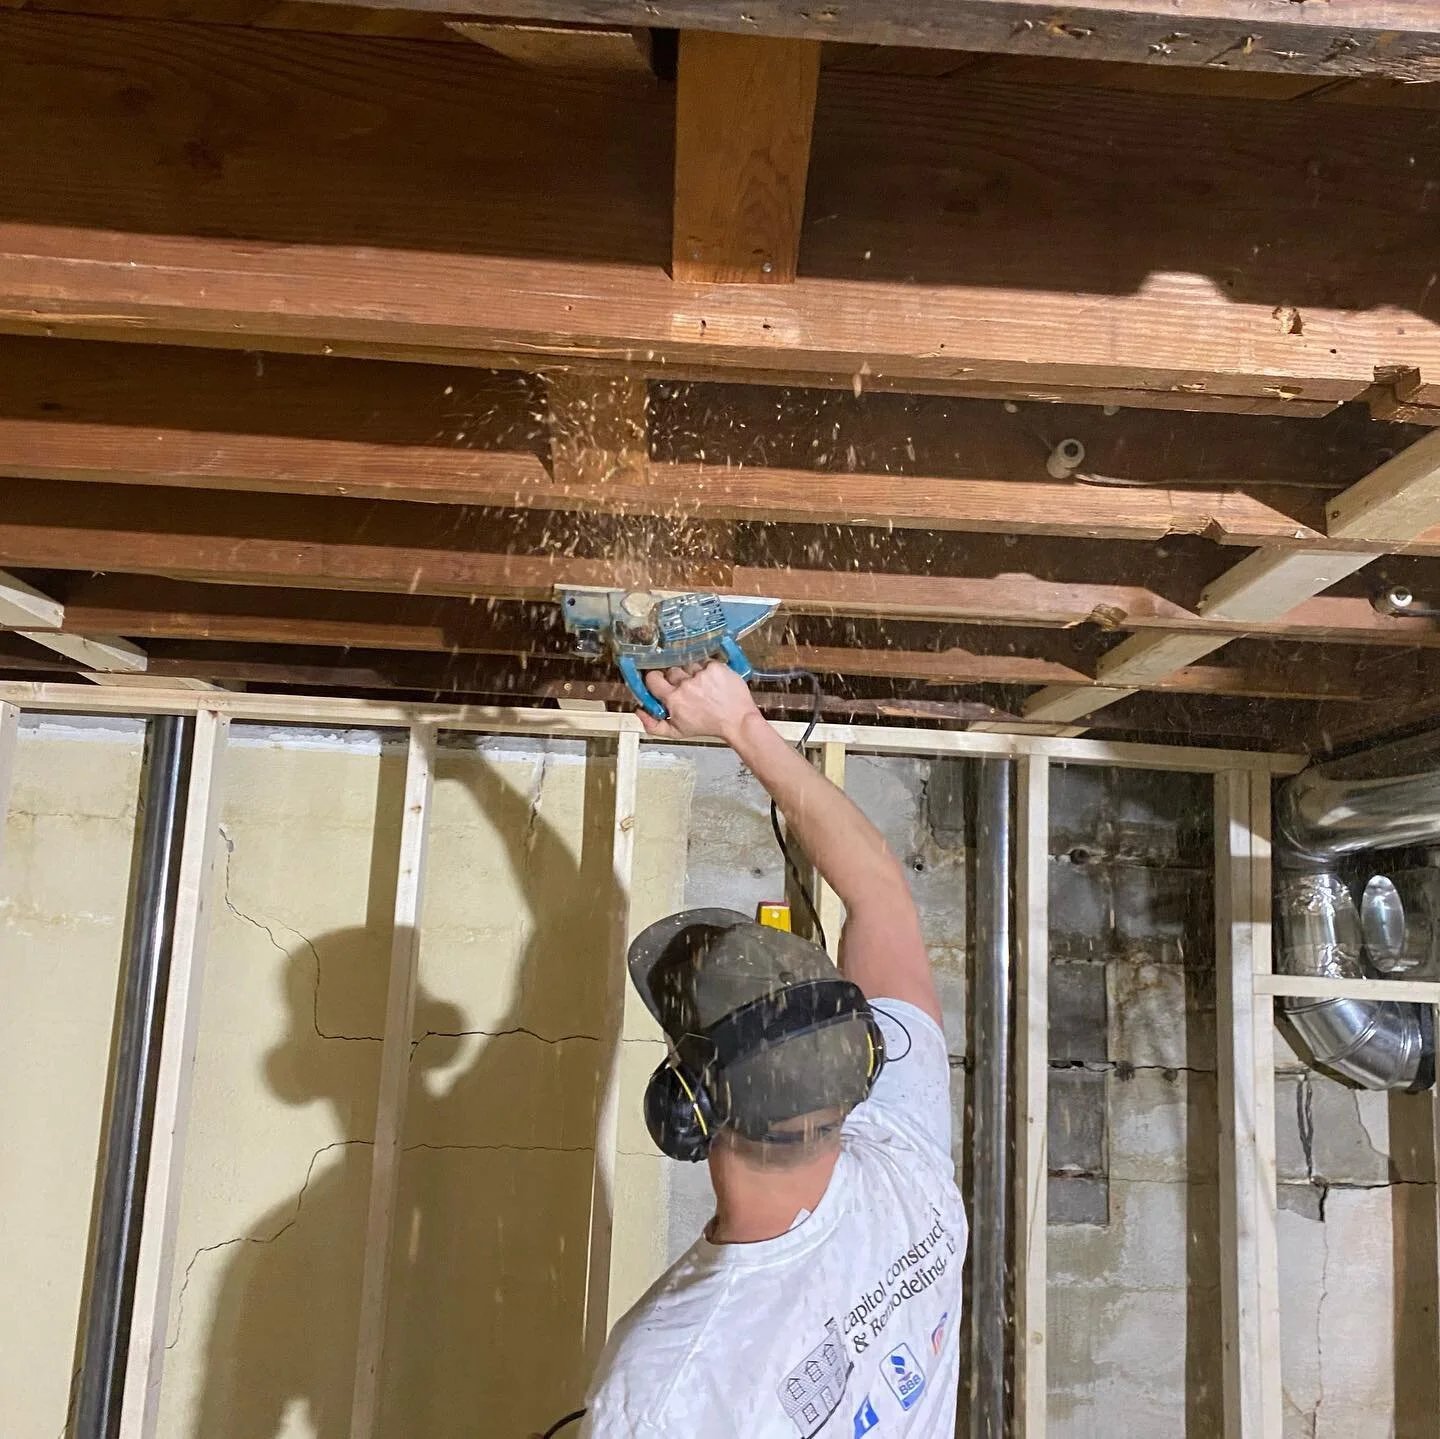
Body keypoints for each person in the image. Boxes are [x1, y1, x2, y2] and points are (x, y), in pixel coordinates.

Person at [579, 661, 968, 1438]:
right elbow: (879, 893)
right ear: (856, 1063)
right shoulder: (906, 1164)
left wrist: (739, 724)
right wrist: (745, 727)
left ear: (684, 1110)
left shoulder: (663, 1385)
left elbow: (876, 890)